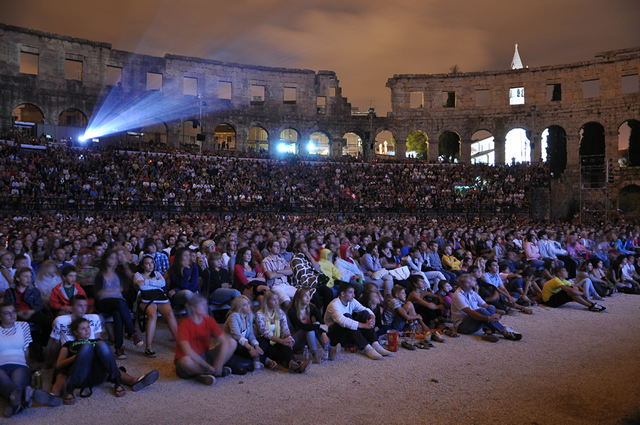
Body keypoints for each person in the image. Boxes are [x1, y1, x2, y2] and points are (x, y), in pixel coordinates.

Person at [57, 317, 158, 405]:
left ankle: (124, 381)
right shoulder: (69, 344)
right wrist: (78, 356)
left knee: (101, 344)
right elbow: (59, 365)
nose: (87, 330)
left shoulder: (95, 341)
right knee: (87, 347)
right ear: (75, 332)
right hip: (80, 376)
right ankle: (70, 389)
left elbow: (108, 361)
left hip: (98, 374)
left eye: (88, 327)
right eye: (83, 328)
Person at [0, 302, 61, 418]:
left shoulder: (23, 325)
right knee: (4, 382)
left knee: (17, 386)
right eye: (7, 313)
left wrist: (26, 366)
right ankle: (32, 394)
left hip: (19, 364)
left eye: (13, 311)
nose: (12, 315)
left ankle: (15, 401)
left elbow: (26, 349)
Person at [174, 295, 236, 385]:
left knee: (232, 342)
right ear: (193, 308)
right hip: (189, 359)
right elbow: (188, 351)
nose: (205, 306)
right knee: (185, 361)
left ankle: (204, 373)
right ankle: (207, 372)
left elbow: (224, 341)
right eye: (202, 304)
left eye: (206, 304)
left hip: (205, 356)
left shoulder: (209, 321)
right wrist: (207, 366)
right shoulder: (184, 325)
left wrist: (218, 364)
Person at [94, 249, 142, 359]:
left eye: (115, 258)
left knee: (117, 313)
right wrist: (115, 291)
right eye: (111, 258)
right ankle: (133, 332)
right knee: (119, 302)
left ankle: (118, 348)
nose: (114, 260)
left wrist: (107, 291)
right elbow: (98, 294)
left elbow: (123, 290)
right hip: (103, 304)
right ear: (105, 260)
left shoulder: (119, 274)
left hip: (118, 304)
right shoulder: (100, 275)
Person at [324, 281, 391, 360]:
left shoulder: (352, 301)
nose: (354, 295)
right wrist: (364, 326)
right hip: (334, 337)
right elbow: (342, 321)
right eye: (351, 293)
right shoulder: (334, 304)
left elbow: (365, 309)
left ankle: (375, 343)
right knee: (347, 317)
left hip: (347, 333)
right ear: (342, 294)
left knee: (365, 313)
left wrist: (372, 318)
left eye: (354, 292)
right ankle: (367, 348)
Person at [450, 275, 523, 342]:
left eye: (470, 282)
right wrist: (488, 318)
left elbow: (485, 304)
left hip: (473, 322)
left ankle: (488, 333)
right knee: (482, 311)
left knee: (491, 307)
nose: (471, 284)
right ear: (461, 284)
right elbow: (469, 312)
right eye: (467, 283)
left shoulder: (471, 292)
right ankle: (504, 332)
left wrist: (497, 313)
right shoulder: (458, 295)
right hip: (462, 326)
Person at [254, 290, 311, 373]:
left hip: (277, 341)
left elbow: (285, 330)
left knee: (286, 345)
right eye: (273, 300)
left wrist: (289, 339)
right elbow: (265, 333)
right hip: (264, 343)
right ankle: (297, 364)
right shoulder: (259, 315)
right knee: (279, 352)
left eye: (277, 299)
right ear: (267, 301)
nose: (277, 302)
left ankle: (292, 363)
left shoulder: (280, 313)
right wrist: (282, 341)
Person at [134, 255, 179, 358]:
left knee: (170, 314)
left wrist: (147, 281)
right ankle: (148, 346)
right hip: (146, 298)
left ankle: (180, 343)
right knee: (152, 315)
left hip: (159, 296)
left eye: (152, 263)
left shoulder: (158, 273)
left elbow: (162, 283)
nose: (150, 265)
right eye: (147, 263)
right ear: (142, 265)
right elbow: (142, 287)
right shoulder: (138, 275)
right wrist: (155, 283)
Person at [4, 267, 52, 361]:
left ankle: (38, 343)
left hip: (31, 313)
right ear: (17, 278)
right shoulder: (10, 291)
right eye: (25, 276)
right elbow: (7, 305)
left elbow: (39, 304)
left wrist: (32, 311)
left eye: (30, 276)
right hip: (15, 314)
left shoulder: (34, 290)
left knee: (48, 323)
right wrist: (17, 313)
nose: (28, 279)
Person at [286, 287, 336, 363]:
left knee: (316, 324)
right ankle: (315, 353)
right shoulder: (292, 310)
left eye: (309, 295)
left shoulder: (311, 307)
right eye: (305, 295)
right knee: (311, 327)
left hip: (308, 339)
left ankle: (329, 349)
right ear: (299, 298)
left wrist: (324, 334)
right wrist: (319, 327)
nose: (309, 297)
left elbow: (321, 322)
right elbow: (302, 326)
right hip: (295, 341)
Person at [541, 266, 606, 311]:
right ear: (559, 273)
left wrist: (583, 291)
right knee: (570, 291)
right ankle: (590, 306)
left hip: (554, 297)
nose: (567, 272)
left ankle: (591, 303)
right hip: (550, 301)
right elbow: (572, 291)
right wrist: (583, 293)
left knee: (573, 288)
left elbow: (576, 286)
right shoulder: (556, 280)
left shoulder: (563, 280)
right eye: (564, 271)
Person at [223, 295, 263, 367]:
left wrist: (256, 345)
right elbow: (237, 336)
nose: (248, 305)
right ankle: (265, 359)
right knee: (241, 346)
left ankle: (257, 359)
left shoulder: (248, 316)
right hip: (230, 345)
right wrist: (250, 348)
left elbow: (250, 334)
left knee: (260, 343)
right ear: (239, 308)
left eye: (248, 303)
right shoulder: (233, 316)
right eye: (244, 304)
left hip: (241, 343)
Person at [260, 239, 298, 309]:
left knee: (301, 295)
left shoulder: (282, 260)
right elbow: (270, 276)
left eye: (278, 246)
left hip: (286, 285)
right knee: (286, 301)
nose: (278, 248)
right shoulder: (265, 261)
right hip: (275, 286)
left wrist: (278, 271)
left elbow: (291, 271)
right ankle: (284, 317)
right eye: (275, 246)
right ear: (270, 248)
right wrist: (284, 272)